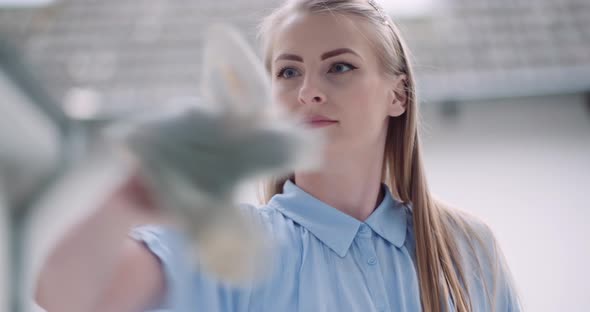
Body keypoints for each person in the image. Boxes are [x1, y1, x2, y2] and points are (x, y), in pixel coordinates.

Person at [34, 0, 522, 311]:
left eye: (341, 67)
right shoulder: (234, 246)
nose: (309, 91)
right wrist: (136, 192)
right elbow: (64, 296)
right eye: (289, 72)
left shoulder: (466, 250)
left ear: (399, 95)